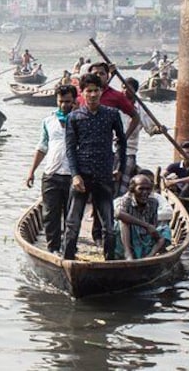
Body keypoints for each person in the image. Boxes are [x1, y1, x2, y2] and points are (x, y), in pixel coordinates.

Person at [62, 73, 127, 261]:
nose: (92, 95)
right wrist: (75, 175)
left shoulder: (112, 114)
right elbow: (70, 149)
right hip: (82, 174)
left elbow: (121, 142)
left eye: (96, 90)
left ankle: (109, 260)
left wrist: (119, 166)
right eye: (88, 91)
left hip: (104, 173)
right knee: (73, 222)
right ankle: (68, 259)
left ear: (101, 91)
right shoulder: (74, 117)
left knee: (108, 224)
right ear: (82, 93)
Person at [24, 84, 77, 254]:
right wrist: (31, 172)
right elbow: (42, 147)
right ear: (56, 100)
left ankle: (70, 249)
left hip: (73, 175)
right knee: (50, 214)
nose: (64, 105)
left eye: (68, 101)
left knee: (72, 216)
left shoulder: (80, 120)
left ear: (74, 100)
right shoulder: (48, 121)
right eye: (61, 101)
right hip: (51, 174)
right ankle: (53, 248)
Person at [113, 174, 169, 260]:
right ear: (133, 190)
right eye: (141, 189)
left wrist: (153, 231)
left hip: (144, 236)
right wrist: (146, 225)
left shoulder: (153, 202)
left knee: (165, 231)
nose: (145, 192)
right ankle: (128, 254)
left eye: (148, 189)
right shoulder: (125, 200)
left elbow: (153, 225)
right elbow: (119, 214)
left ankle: (149, 256)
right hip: (129, 236)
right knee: (123, 222)